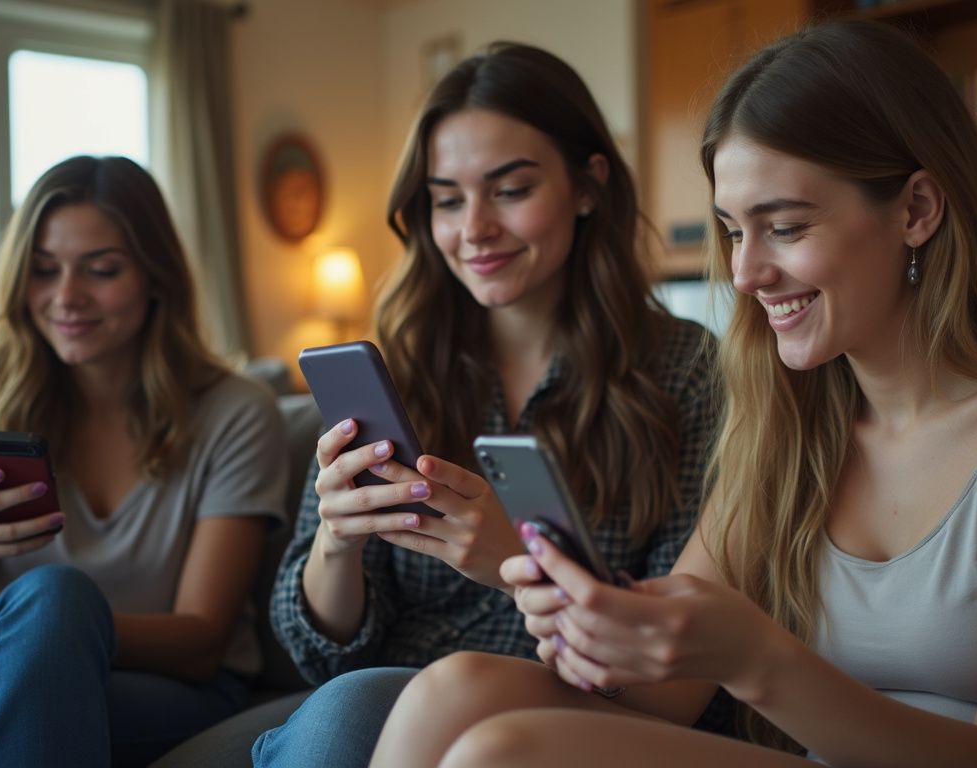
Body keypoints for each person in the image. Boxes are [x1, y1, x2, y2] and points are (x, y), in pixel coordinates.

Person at [370, 20, 977, 767]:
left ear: (919, 208)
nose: (745, 273)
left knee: (502, 754)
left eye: (785, 227)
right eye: (732, 230)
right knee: (451, 692)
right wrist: (574, 610)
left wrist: (756, 658)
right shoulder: (792, 413)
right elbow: (661, 700)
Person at [246, 42, 719, 768]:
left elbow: (672, 659)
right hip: (376, 695)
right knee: (341, 710)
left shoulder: (684, 373)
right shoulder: (399, 366)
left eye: (510, 189)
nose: (473, 230)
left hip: (561, 709)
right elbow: (317, 647)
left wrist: (513, 562)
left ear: (589, 185)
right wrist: (337, 543)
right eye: (446, 200)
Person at [0, 155, 290, 767]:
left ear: (156, 276)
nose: (67, 298)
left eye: (101, 270)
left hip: (172, 692)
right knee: (41, 618)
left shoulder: (235, 412)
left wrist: (56, 625)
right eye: (43, 270)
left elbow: (202, 641)